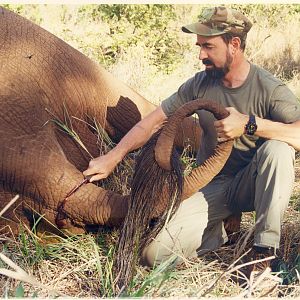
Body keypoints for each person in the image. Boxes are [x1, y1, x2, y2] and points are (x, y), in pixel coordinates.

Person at [83, 6, 300, 276]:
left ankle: (263, 255)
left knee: (278, 150)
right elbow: (150, 123)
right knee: (154, 254)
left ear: (234, 45)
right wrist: (112, 157)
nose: (201, 55)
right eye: (199, 46)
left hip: (256, 183)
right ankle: (222, 230)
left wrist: (249, 123)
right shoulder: (199, 84)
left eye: (208, 46)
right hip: (214, 183)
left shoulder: (269, 88)